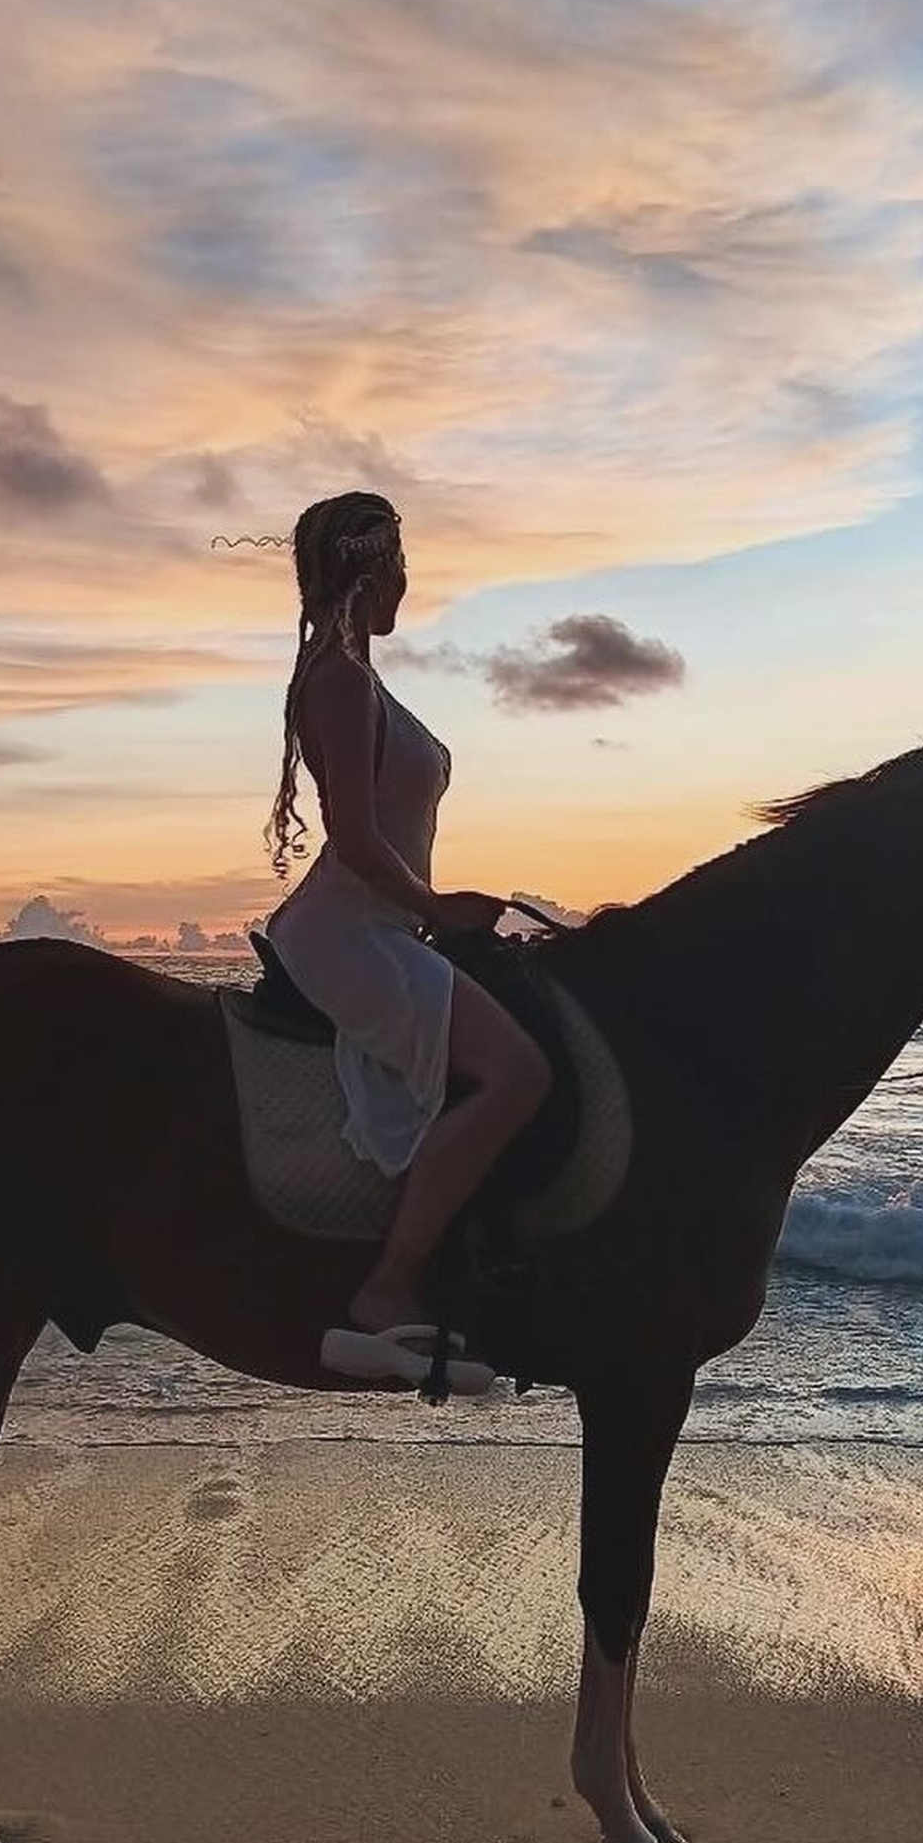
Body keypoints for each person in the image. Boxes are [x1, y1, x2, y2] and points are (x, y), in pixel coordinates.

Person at [262, 490, 551, 1374]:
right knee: (517, 1073)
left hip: (378, 926)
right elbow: (354, 837)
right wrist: (435, 906)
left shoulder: (352, 673)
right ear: (376, 570)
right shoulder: (342, 680)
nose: (406, 586)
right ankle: (388, 1286)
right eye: (401, 567)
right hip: (352, 932)